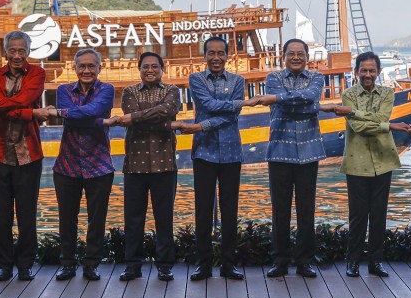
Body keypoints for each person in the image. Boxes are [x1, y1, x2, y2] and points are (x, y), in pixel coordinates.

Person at [257, 38, 338, 278]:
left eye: (300, 54)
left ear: (307, 57)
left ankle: (305, 261)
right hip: (280, 152)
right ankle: (279, 261)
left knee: (306, 210)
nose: (296, 57)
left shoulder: (316, 78)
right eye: (291, 53)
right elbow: (305, 103)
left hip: (308, 153)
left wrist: (280, 99)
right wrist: (311, 105)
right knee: (279, 210)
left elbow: (309, 98)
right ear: (283, 56)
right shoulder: (273, 78)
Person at [180, 36, 257, 281]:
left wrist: (201, 125)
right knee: (203, 210)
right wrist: (236, 104)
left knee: (229, 209)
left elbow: (231, 116)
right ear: (204, 56)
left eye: (220, 53)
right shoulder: (196, 78)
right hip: (204, 152)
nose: (216, 57)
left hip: (232, 152)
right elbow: (208, 104)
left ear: (227, 55)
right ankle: (203, 265)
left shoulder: (238, 80)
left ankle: (228, 264)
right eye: (211, 53)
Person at [336, 51, 410, 278]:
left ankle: (376, 261)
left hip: (382, 161)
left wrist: (357, 114)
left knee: (379, 214)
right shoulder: (348, 94)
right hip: (356, 163)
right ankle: (353, 261)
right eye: (363, 70)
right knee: (358, 216)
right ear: (356, 71)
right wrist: (389, 126)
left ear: (378, 72)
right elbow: (359, 128)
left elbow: (382, 118)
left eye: (372, 70)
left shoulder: (387, 93)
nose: (367, 74)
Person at [0, 31, 47, 282]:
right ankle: (5, 264)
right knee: (2, 212)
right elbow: (11, 109)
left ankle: (26, 264)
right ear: (5, 52)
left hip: (30, 152)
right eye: (13, 50)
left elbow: (25, 99)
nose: (17, 55)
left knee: (28, 212)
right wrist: (31, 114)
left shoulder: (38, 73)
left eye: (22, 50)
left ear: (28, 52)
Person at [108, 52, 181, 283]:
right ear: (139, 69)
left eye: (155, 66)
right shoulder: (129, 92)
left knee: (164, 217)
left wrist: (136, 118)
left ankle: (164, 266)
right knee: (133, 218)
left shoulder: (172, 90)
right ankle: (133, 265)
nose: (150, 70)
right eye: (145, 67)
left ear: (162, 68)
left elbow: (167, 110)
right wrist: (160, 120)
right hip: (134, 165)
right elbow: (160, 115)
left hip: (165, 164)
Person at [50, 48, 115, 282]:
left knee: (96, 219)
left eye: (91, 66)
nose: (86, 70)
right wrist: (101, 122)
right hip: (67, 164)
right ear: (75, 68)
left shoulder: (107, 89)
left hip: (99, 165)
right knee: (67, 217)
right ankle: (67, 264)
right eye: (82, 66)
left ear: (100, 67)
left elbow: (88, 112)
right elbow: (78, 118)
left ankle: (91, 264)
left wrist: (64, 113)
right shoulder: (63, 89)